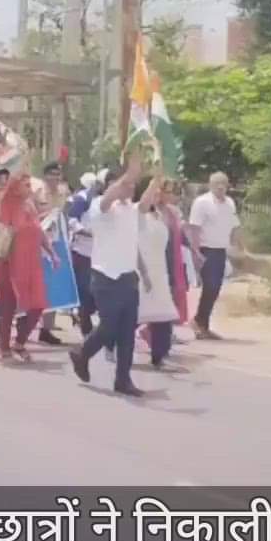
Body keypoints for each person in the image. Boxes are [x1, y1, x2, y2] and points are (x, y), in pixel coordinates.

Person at [67, 153, 157, 397]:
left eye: (131, 185)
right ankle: (83, 353)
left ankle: (123, 379)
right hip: (106, 276)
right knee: (109, 328)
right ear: (111, 186)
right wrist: (130, 172)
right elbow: (111, 197)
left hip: (128, 276)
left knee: (127, 330)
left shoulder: (131, 209)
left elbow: (147, 203)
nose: (130, 188)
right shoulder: (100, 207)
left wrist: (157, 177)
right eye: (125, 184)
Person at [0, 173, 56, 363]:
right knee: (8, 307)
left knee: (37, 305)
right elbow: (2, 233)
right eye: (25, 184)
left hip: (31, 263)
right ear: (15, 186)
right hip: (10, 263)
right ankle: (4, 348)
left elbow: (39, 230)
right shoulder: (6, 203)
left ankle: (19, 343)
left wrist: (52, 253)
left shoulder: (29, 203)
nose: (30, 187)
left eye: (30, 184)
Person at [136, 178, 186, 371]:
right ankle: (105, 341)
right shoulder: (137, 214)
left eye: (159, 192)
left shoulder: (159, 216)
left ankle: (159, 355)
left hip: (160, 270)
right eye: (154, 192)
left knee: (164, 314)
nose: (158, 195)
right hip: (141, 270)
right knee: (134, 315)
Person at [188, 172, 245, 340]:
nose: (221, 187)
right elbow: (194, 229)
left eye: (224, 184)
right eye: (217, 183)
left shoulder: (229, 203)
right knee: (210, 286)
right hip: (206, 249)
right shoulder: (202, 203)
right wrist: (195, 252)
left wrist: (240, 246)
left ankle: (203, 323)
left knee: (215, 289)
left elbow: (234, 227)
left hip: (221, 250)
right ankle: (198, 320)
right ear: (210, 184)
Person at [31, 161, 70, 346]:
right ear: (45, 175)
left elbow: (66, 216)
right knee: (38, 286)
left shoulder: (63, 193)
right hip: (38, 243)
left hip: (58, 244)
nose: (55, 178)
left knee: (53, 288)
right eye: (52, 174)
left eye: (58, 174)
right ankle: (26, 324)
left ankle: (46, 329)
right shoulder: (37, 192)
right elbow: (29, 216)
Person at [65, 171, 99, 338]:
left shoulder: (106, 200)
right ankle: (84, 322)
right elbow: (71, 219)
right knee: (85, 289)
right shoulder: (82, 199)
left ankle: (80, 312)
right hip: (82, 251)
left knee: (95, 292)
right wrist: (84, 231)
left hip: (100, 253)